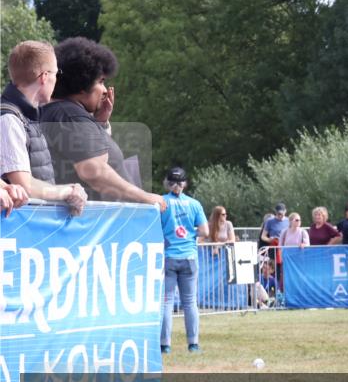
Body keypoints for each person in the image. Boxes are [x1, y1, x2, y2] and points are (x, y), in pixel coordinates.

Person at [39, 38, 164, 210]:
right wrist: (145, 198)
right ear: (81, 84)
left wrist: (100, 123)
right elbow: (94, 171)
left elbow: (89, 155)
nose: (105, 90)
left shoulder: (60, 113)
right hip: (96, 227)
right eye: (101, 81)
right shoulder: (71, 115)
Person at [1, 41, 87, 214]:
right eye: (57, 73)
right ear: (44, 77)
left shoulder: (25, 116)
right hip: (19, 231)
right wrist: (69, 191)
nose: (57, 79)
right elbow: (25, 185)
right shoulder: (9, 119)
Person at [158, 167, 208, 354]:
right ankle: (193, 344)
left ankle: (165, 345)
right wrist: (190, 234)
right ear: (185, 183)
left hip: (169, 256)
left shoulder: (161, 203)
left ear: (167, 182)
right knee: (190, 302)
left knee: (166, 302)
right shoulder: (194, 204)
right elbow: (205, 231)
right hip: (189, 257)